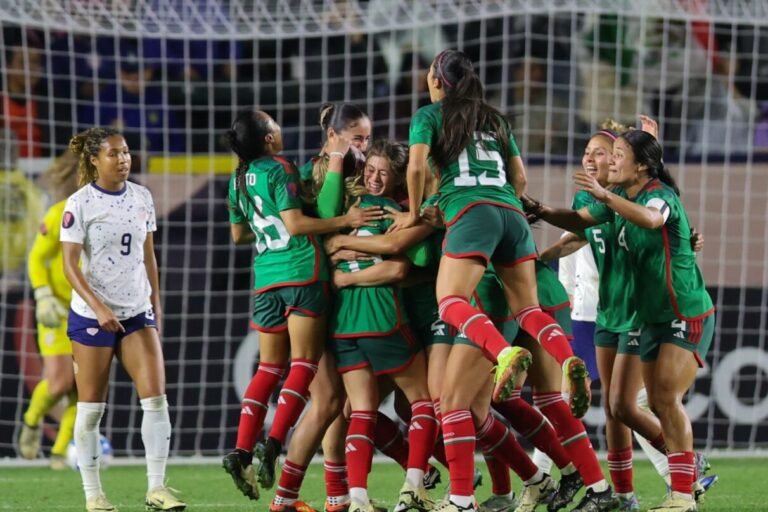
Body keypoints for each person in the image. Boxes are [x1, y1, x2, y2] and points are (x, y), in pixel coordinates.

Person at [393, 49, 588, 512]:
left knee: (450, 300)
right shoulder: (495, 119)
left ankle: (503, 354)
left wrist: (417, 210)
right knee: (528, 308)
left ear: (438, 81)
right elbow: (518, 176)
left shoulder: (429, 115)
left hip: (472, 211)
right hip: (511, 212)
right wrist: (506, 205)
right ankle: (567, 361)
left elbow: (417, 167)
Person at [530, 129, 714, 512]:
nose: (608, 160)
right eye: (603, 153)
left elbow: (651, 219)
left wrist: (606, 194)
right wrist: (545, 212)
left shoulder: (657, 195)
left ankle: (679, 492)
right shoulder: (612, 200)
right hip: (640, 315)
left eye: (615, 154)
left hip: (681, 311)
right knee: (622, 406)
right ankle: (647, 489)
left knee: (660, 398)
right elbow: (579, 226)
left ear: (641, 165)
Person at [221, 110, 382, 503]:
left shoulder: (238, 179)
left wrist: (266, 226)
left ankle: (243, 449)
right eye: (274, 125)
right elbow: (295, 225)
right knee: (305, 366)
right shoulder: (283, 168)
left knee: (271, 368)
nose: (280, 128)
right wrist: (347, 219)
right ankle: (275, 443)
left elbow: (239, 233)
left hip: (266, 279)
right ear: (268, 140)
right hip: (301, 273)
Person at [61, 127, 184, 512]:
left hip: (135, 312)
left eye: (126, 152)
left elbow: (149, 256)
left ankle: (157, 489)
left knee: (156, 400)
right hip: (93, 316)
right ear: (95, 160)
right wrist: (98, 307)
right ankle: (94, 495)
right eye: (114, 154)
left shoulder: (142, 197)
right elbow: (68, 265)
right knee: (91, 409)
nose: (123, 159)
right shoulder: (79, 203)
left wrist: (156, 303)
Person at [328, 140, 437, 512]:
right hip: (382, 320)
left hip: (343, 326)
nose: (374, 178)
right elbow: (399, 266)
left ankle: (356, 498)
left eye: (382, 172)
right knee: (423, 401)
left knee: (360, 411)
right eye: (370, 170)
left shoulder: (347, 213)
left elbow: (335, 255)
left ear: (395, 177)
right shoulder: (394, 213)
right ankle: (414, 485)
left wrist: (343, 272)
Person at [18, 151, 80, 470]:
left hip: (93, 311)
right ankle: (30, 420)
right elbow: (36, 258)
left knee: (84, 389)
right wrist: (43, 295)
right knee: (58, 382)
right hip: (57, 309)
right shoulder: (60, 213)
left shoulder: (108, 214)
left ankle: (59, 451)